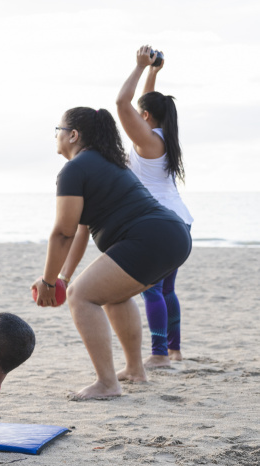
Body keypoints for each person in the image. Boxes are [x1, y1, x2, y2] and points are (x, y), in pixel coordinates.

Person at [32, 107, 192, 400]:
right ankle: (134, 370)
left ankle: (107, 383)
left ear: (73, 135)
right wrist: (63, 276)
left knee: (81, 296)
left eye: (58, 129)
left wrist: (49, 281)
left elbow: (62, 233)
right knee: (113, 295)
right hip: (174, 236)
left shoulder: (74, 169)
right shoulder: (107, 163)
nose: (56, 135)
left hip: (150, 237)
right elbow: (80, 231)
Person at [116, 45, 192, 369]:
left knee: (151, 290)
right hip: (180, 220)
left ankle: (159, 354)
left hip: (158, 223)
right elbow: (143, 105)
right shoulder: (163, 136)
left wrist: (137, 67)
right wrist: (153, 73)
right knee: (166, 290)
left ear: (145, 117)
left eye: (141, 114)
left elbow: (123, 103)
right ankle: (173, 351)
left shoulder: (147, 141)